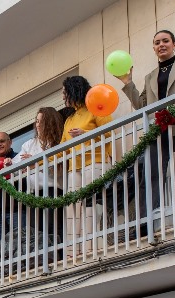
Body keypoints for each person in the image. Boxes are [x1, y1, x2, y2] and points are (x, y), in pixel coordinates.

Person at [116, 29, 175, 230]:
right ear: (153, 48)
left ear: (174, 44)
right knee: (151, 175)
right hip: (158, 130)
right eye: (157, 42)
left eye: (165, 41)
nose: (161, 45)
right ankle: (146, 221)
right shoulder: (150, 76)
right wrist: (128, 83)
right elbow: (142, 105)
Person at [60, 76, 114, 255]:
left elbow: (110, 132)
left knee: (92, 206)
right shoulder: (69, 119)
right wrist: (35, 160)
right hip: (73, 167)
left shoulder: (94, 108)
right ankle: (72, 251)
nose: (62, 97)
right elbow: (61, 150)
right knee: (72, 208)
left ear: (74, 90)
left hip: (95, 162)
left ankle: (92, 247)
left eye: (64, 92)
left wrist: (86, 133)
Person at [10, 107, 74, 242]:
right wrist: (9, 164)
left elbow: (57, 172)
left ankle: (57, 258)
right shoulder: (29, 143)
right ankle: (41, 259)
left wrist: (36, 163)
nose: (38, 124)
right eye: (36, 121)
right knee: (37, 233)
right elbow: (17, 166)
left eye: (41, 121)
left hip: (53, 191)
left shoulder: (57, 143)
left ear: (50, 123)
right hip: (33, 194)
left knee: (53, 229)